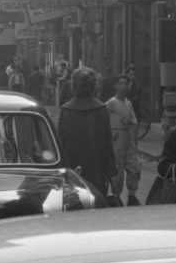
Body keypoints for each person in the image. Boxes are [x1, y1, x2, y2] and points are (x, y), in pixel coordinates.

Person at [56, 67, 117, 202]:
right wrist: (111, 168)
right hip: (96, 166)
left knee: (73, 202)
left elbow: (60, 142)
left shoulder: (66, 110)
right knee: (96, 201)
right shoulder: (101, 109)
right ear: (94, 86)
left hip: (72, 168)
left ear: (73, 85)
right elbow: (107, 142)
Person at [106, 74, 142, 206]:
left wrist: (130, 122)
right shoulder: (111, 103)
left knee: (134, 167)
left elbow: (134, 121)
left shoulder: (129, 103)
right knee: (118, 170)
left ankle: (132, 194)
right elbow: (103, 121)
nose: (123, 86)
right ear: (115, 86)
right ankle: (116, 196)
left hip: (128, 138)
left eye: (125, 84)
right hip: (117, 139)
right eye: (120, 84)